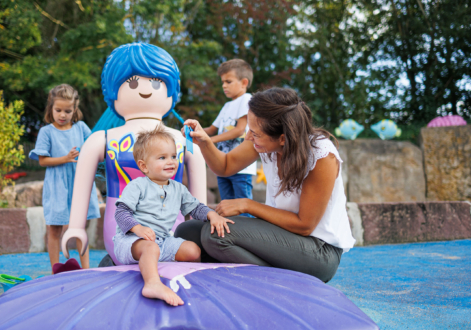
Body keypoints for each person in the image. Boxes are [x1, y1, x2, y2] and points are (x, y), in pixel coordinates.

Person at [177, 87, 356, 283]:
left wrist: (247, 204)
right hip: (281, 237)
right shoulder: (265, 142)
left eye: (255, 133)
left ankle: (277, 280)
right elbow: (225, 166)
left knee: (216, 238)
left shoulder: (321, 155)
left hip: (318, 252)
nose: (249, 137)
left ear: (283, 138)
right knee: (187, 232)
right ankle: (242, 271)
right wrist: (204, 142)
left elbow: (305, 225)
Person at [60, 43, 208, 268]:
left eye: (157, 81)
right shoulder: (103, 139)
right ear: (113, 90)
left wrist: (204, 230)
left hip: (173, 232)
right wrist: (76, 228)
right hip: (122, 230)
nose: (146, 89)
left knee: (187, 252)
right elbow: (82, 185)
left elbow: (198, 203)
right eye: (133, 82)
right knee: (146, 250)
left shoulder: (185, 141)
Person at [114, 125, 233, 306]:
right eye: (162, 157)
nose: (171, 161)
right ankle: (152, 284)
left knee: (192, 250)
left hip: (163, 240)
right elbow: (121, 212)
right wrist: (138, 228)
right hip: (131, 241)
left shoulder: (178, 188)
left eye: (173, 156)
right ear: (143, 166)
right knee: (150, 248)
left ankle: (194, 282)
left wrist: (212, 215)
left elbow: (195, 208)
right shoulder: (137, 186)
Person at [29, 84, 101, 271]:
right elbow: (43, 161)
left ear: (75, 110)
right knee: (54, 229)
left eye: (67, 111)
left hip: (79, 183)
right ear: (50, 108)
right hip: (57, 185)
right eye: (58, 110)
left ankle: (86, 270)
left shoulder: (81, 128)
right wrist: (66, 158)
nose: (62, 115)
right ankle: (56, 269)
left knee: (79, 227)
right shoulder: (47, 132)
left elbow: (94, 148)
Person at [202, 59, 256, 210]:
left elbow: (239, 130)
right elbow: (212, 129)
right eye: (222, 82)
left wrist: (209, 140)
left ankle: (246, 233)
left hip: (241, 167)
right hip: (222, 165)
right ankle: (231, 233)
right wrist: (194, 131)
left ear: (244, 82)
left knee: (243, 207)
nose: (224, 85)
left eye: (228, 81)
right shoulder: (227, 106)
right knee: (227, 206)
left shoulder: (246, 99)